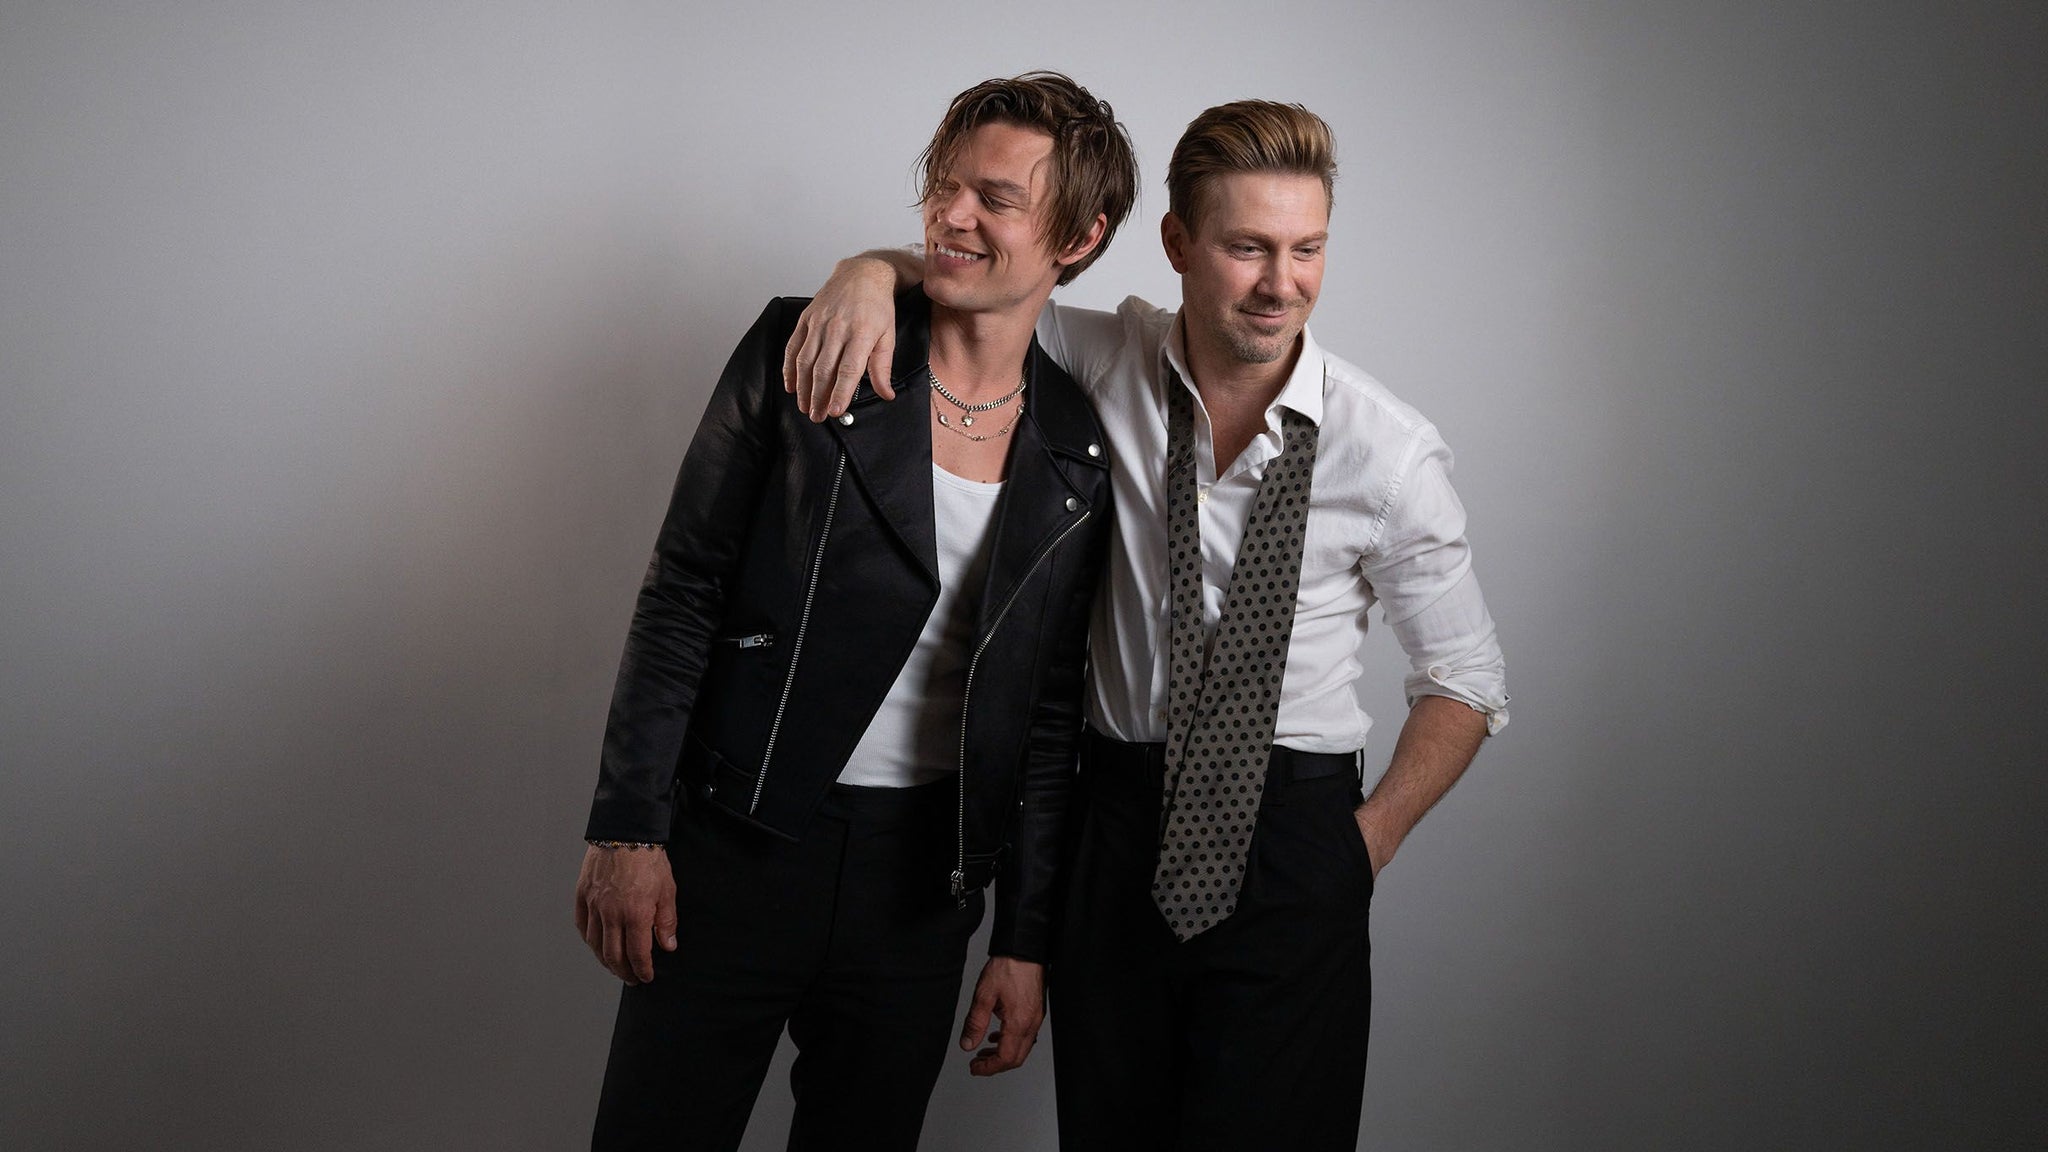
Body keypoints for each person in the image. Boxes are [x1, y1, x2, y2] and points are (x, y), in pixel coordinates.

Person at [783, 99, 1509, 1151]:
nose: (1281, 283)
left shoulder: (1387, 452)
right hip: (1114, 831)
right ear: (1176, 243)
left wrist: (1361, 847)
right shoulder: (1100, 358)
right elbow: (988, 276)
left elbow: (1466, 680)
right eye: (1247, 248)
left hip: (1290, 839)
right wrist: (865, 269)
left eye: (1306, 250)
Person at [574, 72, 1135, 1151]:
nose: (951, 216)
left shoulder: (1076, 447)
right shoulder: (808, 346)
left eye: (996, 198)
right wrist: (627, 824)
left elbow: (1048, 714)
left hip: (919, 889)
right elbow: (683, 588)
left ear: (1079, 236)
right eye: (942, 186)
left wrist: (1021, 940)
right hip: (735, 844)